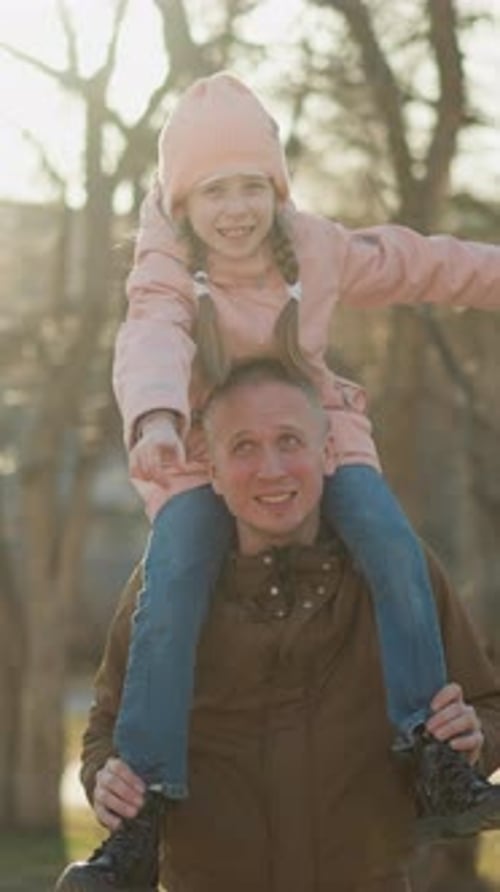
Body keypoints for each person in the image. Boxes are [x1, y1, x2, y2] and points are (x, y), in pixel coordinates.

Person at [59, 71, 500, 889]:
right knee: (176, 576)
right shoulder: (164, 270)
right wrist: (156, 417)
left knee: (392, 545)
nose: (235, 209)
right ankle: (141, 815)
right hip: (196, 458)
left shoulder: (316, 250)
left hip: (330, 439)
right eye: (213, 191)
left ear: (277, 187)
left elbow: (417, 263)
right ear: (181, 205)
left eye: (252, 186)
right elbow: (149, 339)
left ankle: (432, 754)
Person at [56, 359, 500, 892]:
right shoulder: (164, 592)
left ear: (328, 451)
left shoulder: (401, 572)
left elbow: (487, 706)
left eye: (289, 440)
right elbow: (105, 734)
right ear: (210, 469)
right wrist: (106, 781)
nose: (271, 469)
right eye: (243, 446)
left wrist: (473, 740)